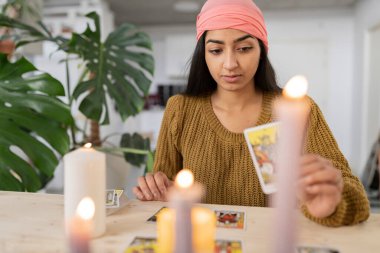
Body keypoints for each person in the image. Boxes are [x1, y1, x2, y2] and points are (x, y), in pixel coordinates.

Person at [133, 0, 370, 226]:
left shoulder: (299, 110)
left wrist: (332, 203)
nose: (230, 64)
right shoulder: (180, 110)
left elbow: (356, 197)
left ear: (261, 50)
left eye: (244, 48)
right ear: (203, 55)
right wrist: (156, 190)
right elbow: (162, 195)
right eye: (216, 50)